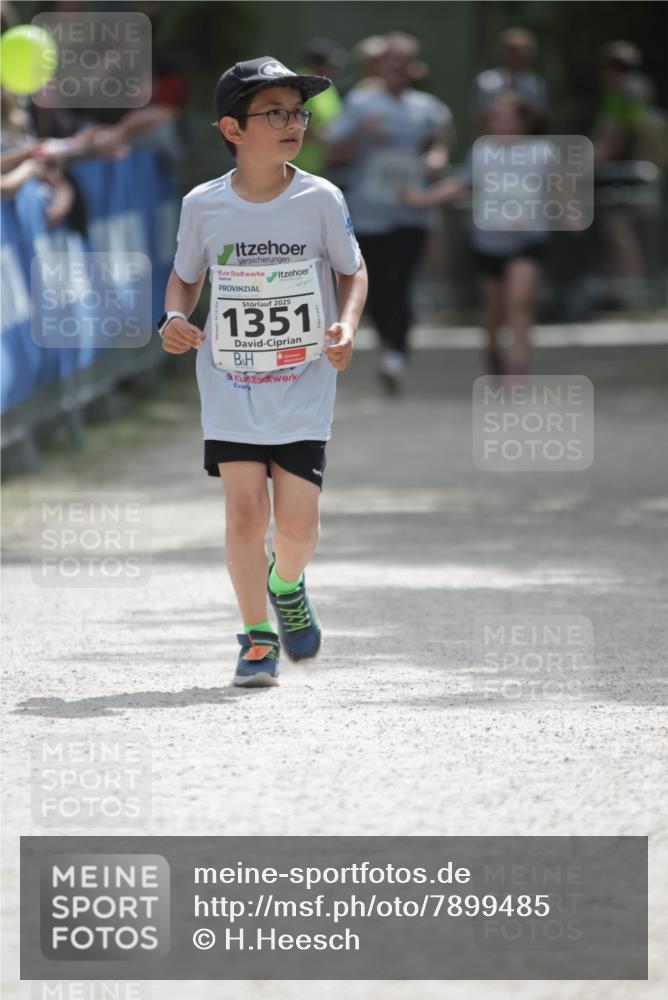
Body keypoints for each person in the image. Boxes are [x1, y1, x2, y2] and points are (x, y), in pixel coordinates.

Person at [159, 57, 367, 687]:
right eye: (274, 113)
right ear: (232, 128)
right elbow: (186, 276)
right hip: (230, 380)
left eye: (298, 112)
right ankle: (256, 637)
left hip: (303, 382)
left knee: (298, 530)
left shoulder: (320, 198)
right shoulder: (204, 205)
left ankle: (287, 583)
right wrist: (172, 317)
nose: (293, 123)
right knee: (245, 515)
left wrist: (348, 326)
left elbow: (351, 271)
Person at [326, 32, 452, 395]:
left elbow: (441, 139)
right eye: (389, 59)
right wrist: (362, 134)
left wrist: (436, 156)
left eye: (402, 60)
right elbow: (334, 150)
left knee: (403, 282)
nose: (395, 66)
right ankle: (389, 346)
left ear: (412, 66)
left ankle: (395, 354)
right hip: (370, 212)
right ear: (381, 64)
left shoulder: (428, 107)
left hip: (411, 210)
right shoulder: (362, 103)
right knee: (379, 284)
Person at [403, 94, 555, 383]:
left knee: (520, 302)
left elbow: (559, 189)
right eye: (497, 117)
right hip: (489, 242)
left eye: (510, 117)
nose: (504, 123)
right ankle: (495, 356)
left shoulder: (542, 151)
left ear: (525, 121)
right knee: (495, 309)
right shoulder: (483, 152)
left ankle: (517, 370)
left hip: (529, 239)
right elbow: (460, 184)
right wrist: (423, 199)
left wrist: (568, 212)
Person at [473, 28, 548, 127]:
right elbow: (479, 116)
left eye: (523, 49)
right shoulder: (486, 81)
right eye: (511, 49)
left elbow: (540, 117)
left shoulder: (536, 83)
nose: (517, 54)